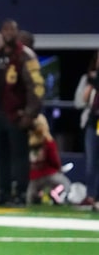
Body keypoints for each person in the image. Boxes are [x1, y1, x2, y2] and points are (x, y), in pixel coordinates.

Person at [0, 19, 44, 206]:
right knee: (1, 155)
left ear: (17, 32)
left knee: (19, 156)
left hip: (17, 114)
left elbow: (36, 86)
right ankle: (3, 192)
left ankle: (20, 194)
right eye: (5, 29)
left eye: (12, 29)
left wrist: (30, 113)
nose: (8, 33)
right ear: (1, 32)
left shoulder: (25, 55)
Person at [26, 114, 71, 206]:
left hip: (34, 176)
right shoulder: (49, 141)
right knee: (66, 184)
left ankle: (37, 196)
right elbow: (54, 159)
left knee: (30, 196)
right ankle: (57, 196)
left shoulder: (28, 140)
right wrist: (58, 169)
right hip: (50, 173)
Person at [74, 52, 99, 205]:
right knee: (91, 160)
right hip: (93, 121)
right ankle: (91, 195)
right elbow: (80, 101)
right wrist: (91, 85)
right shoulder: (89, 79)